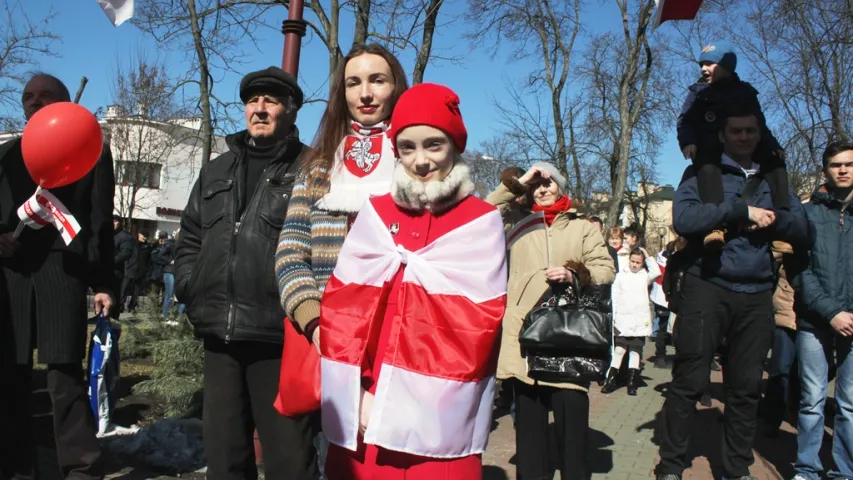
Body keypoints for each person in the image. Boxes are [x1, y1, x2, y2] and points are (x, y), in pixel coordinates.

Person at [320, 83, 506, 479]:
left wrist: (395, 401)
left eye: (434, 145)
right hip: (367, 407)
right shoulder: (374, 213)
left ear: (455, 146)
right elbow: (345, 310)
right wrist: (359, 393)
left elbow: (474, 330)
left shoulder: (481, 221)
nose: (421, 160)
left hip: (441, 415)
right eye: (408, 147)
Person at [175, 66, 319, 479]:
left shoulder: (312, 168)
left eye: (271, 101)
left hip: (280, 337)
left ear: (291, 111)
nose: (259, 109)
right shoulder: (215, 170)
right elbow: (189, 237)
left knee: (289, 462)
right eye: (252, 101)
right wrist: (190, 286)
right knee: (224, 462)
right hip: (219, 337)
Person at [655, 104, 809, 480]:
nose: (744, 137)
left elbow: (803, 230)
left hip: (757, 292)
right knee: (690, 381)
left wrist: (772, 221)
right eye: (736, 131)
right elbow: (685, 219)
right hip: (706, 285)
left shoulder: (776, 177)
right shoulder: (702, 172)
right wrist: (738, 210)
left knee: (744, 388)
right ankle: (672, 465)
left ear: (759, 135)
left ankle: (735, 468)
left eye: (750, 131)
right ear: (723, 135)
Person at [0, 73, 115, 480]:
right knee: (10, 380)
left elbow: (101, 221)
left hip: (62, 273)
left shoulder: (92, 150)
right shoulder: (7, 155)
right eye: (28, 97)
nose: (34, 102)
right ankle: (16, 467)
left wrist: (103, 282)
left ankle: (81, 468)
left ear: (65, 102)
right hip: (11, 277)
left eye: (44, 95)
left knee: (63, 379)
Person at [488, 161, 616, 479]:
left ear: (561, 186)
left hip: (568, 340)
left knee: (572, 440)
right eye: (537, 184)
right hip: (524, 340)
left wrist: (575, 273)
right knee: (530, 443)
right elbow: (483, 211)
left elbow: (606, 269)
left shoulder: (582, 226)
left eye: (550, 182)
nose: (543, 189)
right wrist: (519, 181)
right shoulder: (514, 225)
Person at [276, 43, 407, 351]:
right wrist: (312, 320)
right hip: (328, 336)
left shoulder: (414, 167)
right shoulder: (318, 169)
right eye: (353, 83)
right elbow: (290, 253)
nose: (365, 93)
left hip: (397, 338)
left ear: (396, 87)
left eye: (377, 80)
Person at [677, 41, 790, 253]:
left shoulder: (745, 92)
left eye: (710, 63)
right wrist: (688, 141)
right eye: (702, 64)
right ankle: (715, 227)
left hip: (744, 144)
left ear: (726, 66)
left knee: (775, 165)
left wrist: (773, 145)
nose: (703, 69)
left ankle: (781, 223)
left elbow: (759, 123)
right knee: (707, 166)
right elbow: (685, 120)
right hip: (711, 145)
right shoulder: (698, 92)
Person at [789, 140, 853, 480]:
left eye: (849, 164)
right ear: (825, 169)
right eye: (835, 164)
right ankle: (807, 469)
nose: (842, 169)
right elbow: (799, 269)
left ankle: (845, 471)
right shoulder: (808, 213)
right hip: (815, 320)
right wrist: (831, 312)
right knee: (812, 401)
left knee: (849, 405)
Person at [602, 247, 660, 396]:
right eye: (632, 261)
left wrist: (647, 256)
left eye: (638, 262)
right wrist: (614, 317)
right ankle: (611, 380)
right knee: (619, 350)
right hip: (623, 318)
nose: (634, 265)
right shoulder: (621, 276)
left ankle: (632, 382)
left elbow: (657, 272)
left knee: (635, 351)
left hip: (639, 320)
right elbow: (614, 297)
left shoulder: (644, 276)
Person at [760, 251, 798, 438]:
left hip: (817, 319)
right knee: (780, 370)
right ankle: (772, 418)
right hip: (787, 313)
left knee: (811, 374)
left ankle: (797, 410)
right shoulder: (790, 243)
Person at [113, 216, 134, 311]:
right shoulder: (107, 235)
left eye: (115, 221)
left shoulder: (124, 237)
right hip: (104, 270)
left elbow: (125, 253)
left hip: (117, 272)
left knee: (116, 297)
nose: (112, 223)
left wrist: (110, 261)